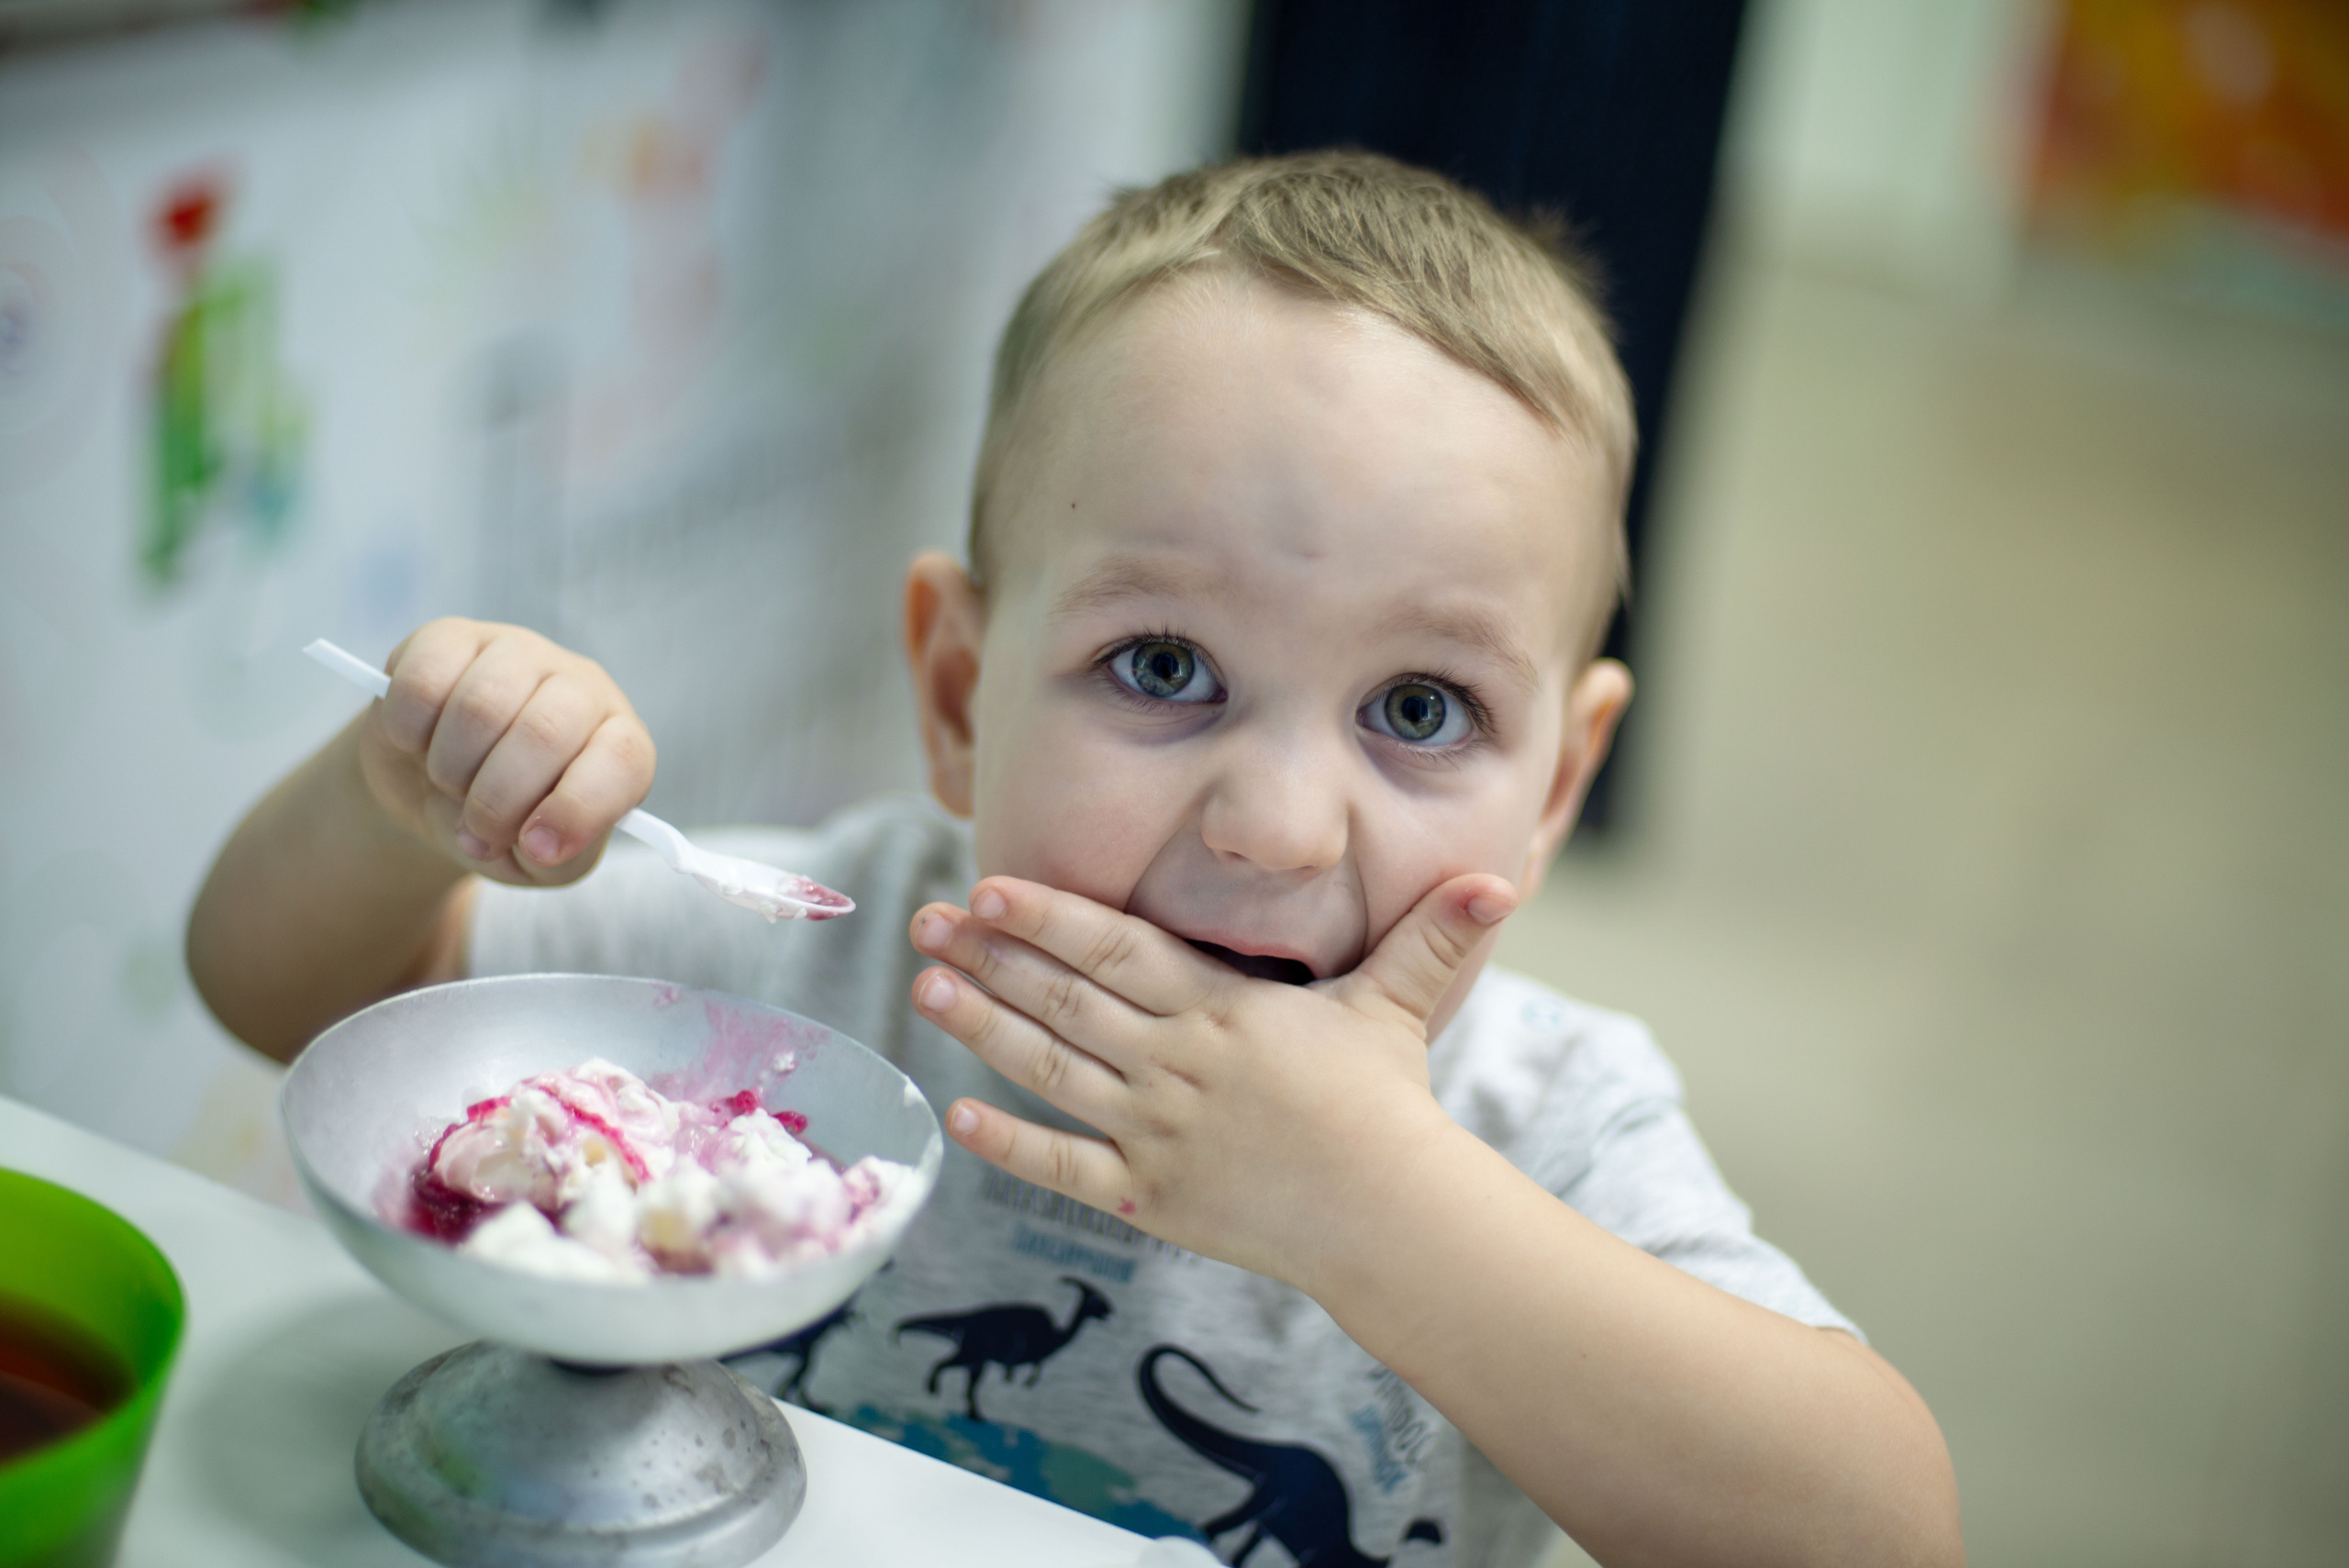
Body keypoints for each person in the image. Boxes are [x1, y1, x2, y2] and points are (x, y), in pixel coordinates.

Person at [189, 152, 1962, 1566]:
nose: (1278, 824)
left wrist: (1373, 1198)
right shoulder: (809, 962)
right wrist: (392, 801)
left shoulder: (1546, 1120)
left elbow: (1880, 1535)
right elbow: (294, 1000)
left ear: (1563, 781)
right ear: (959, 695)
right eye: (1164, 670)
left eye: (1420, 709)